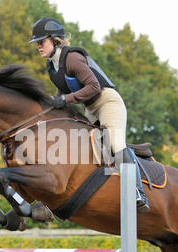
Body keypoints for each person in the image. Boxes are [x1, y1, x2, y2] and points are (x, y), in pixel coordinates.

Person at [29, 17, 149, 212]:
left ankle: (138, 192)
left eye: (41, 42)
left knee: (115, 144)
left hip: (107, 102)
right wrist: (50, 105)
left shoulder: (72, 58)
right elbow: (62, 90)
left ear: (55, 40)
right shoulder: (52, 66)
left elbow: (93, 86)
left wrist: (65, 100)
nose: (38, 47)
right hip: (90, 109)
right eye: (37, 44)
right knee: (80, 149)